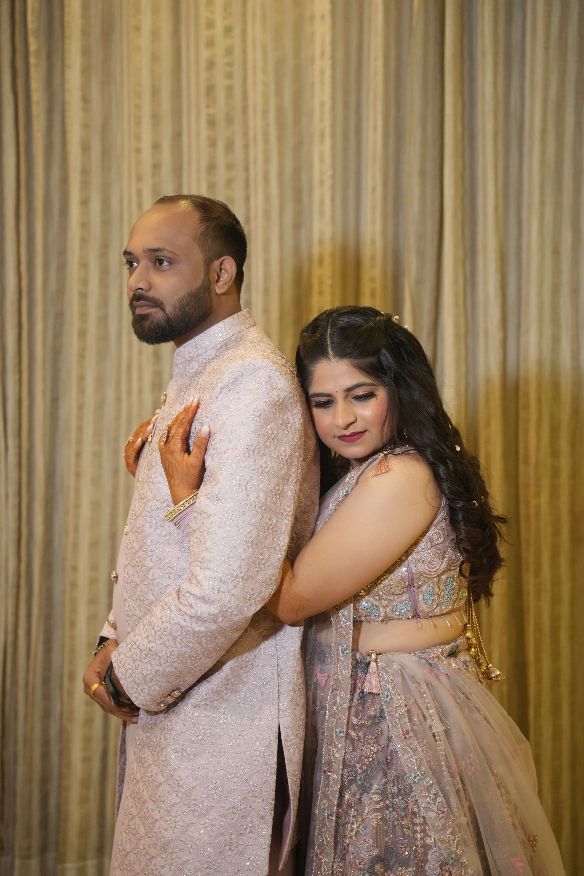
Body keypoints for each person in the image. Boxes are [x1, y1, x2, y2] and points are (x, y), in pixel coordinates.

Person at [160, 306, 565, 875]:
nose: (343, 418)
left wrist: (193, 500)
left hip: (393, 721)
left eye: (362, 395)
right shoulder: (363, 472)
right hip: (357, 704)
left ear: (399, 390)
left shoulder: (397, 477)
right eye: (323, 402)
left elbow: (292, 599)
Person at [82, 194, 319, 876]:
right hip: (181, 703)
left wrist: (129, 675)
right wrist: (111, 636)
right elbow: (165, 542)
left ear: (221, 273)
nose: (137, 281)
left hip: (224, 718)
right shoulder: (204, 370)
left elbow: (229, 585)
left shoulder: (252, 384)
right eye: (131, 263)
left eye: (161, 262)